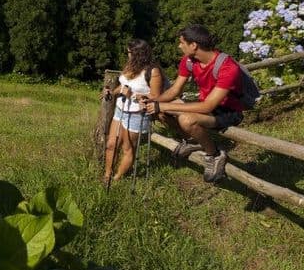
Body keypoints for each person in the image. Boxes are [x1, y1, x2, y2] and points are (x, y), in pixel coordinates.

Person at [141, 24, 244, 182]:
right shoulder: (189, 61)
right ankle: (194, 140)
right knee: (161, 112)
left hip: (228, 112)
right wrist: (153, 101)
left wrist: (163, 105)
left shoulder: (228, 67)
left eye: (182, 42)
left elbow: (208, 106)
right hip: (207, 106)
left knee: (186, 119)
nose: (179, 46)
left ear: (193, 45)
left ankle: (214, 154)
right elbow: (175, 91)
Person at [102, 39, 164, 186]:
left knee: (127, 148)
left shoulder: (153, 71)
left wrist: (133, 96)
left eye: (130, 52)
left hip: (137, 114)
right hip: (120, 109)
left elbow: (156, 96)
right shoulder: (130, 66)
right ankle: (107, 176)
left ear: (138, 54)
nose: (128, 55)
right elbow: (123, 86)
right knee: (111, 144)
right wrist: (112, 92)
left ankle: (117, 178)